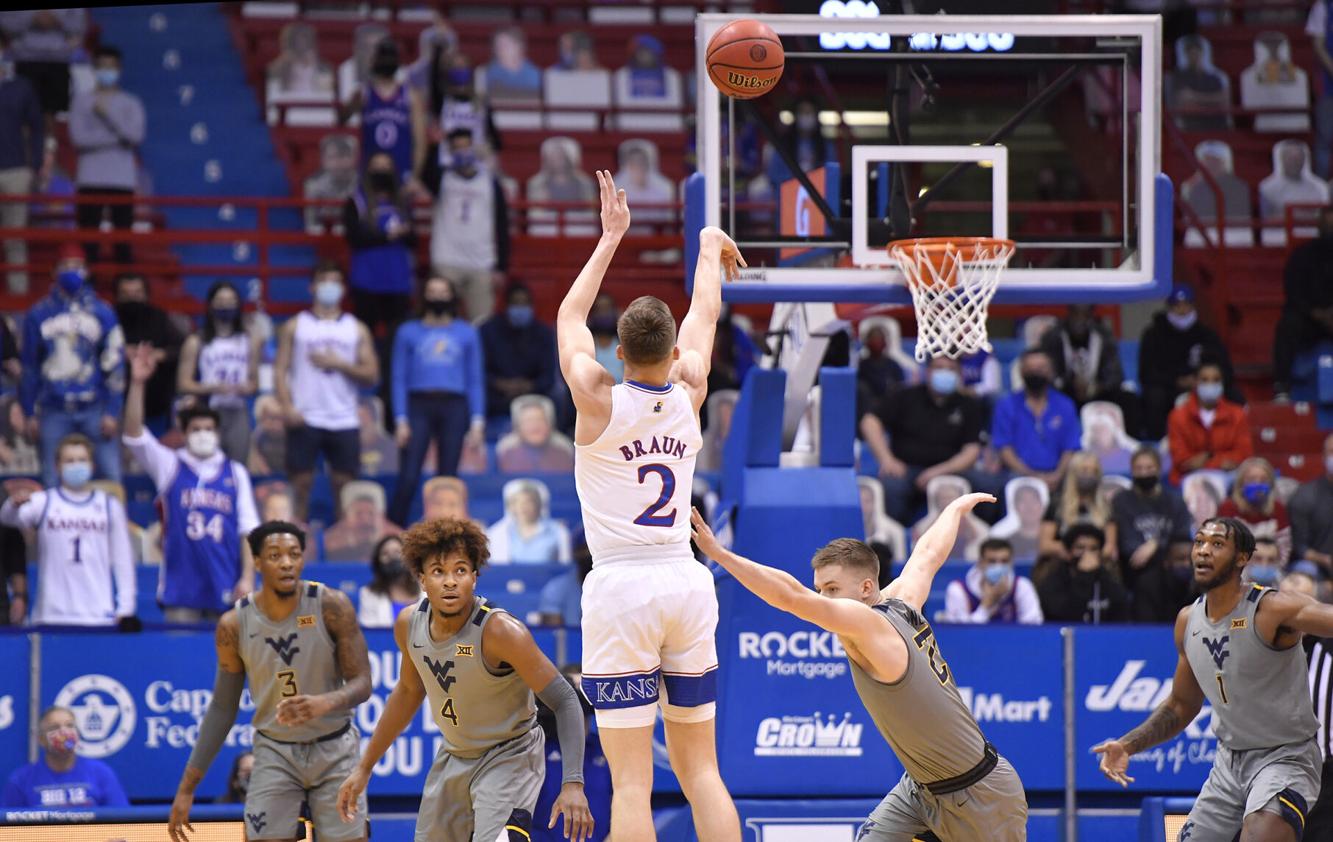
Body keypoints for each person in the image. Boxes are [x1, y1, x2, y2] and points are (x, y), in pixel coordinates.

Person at [558, 172, 742, 841]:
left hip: (621, 586)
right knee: (703, 775)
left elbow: (569, 319)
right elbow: (705, 316)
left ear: (618, 351)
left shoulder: (596, 398)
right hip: (685, 580)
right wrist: (706, 250)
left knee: (633, 782)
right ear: (672, 353)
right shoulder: (690, 394)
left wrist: (611, 237)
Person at [690, 494, 1028, 839]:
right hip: (921, 786)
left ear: (867, 588)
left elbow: (791, 597)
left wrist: (719, 555)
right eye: (820, 589)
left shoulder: (868, 624)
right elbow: (927, 555)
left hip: (980, 794)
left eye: (833, 589)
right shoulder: (902, 599)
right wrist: (955, 509)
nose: (823, 599)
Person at [334, 517, 594, 841]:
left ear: (474, 577)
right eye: (438, 571)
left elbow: (566, 699)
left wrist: (573, 783)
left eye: (460, 570)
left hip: (510, 755)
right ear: (422, 578)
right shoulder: (408, 624)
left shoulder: (501, 632)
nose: (450, 582)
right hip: (454, 756)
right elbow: (407, 693)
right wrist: (364, 767)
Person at [1092, 517, 1332, 841]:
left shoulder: (1271, 608)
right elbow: (1180, 706)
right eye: (1199, 542)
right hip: (1228, 764)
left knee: (1261, 833)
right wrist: (1128, 745)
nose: (1204, 551)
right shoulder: (1187, 620)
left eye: (1217, 544)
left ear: (1242, 558)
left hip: (1285, 756)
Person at [167, 521, 373, 842]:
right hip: (276, 753)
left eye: (294, 554)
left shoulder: (331, 605)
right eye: (275, 555)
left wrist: (324, 702)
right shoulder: (234, 624)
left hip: (335, 748)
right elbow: (222, 708)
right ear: (258, 563)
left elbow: (363, 682)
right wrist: (186, 789)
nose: (287, 562)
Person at [124, 343, 259, 622]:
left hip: (226, 584)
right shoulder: (170, 464)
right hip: (181, 588)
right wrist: (137, 383)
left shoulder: (235, 473)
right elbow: (134, 435)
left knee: (227, 664)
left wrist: (247, 579)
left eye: (209, 429)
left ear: (219, 433)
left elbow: (248, 531)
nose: (203, 434)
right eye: (196, 429)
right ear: (184, 433)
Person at [274, 261, 380, 521]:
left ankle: (340, 543)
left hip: (343, 417)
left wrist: (340, 364)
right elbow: (279, 370)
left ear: (343, 289)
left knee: (344, 486)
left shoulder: (356, 328)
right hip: (305, 415)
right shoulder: (295, 325)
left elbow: (371, 375)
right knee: (300, 483)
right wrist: (287, 407)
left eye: (335, 281)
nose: (329, 287)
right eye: (324, 281)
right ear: (313, 287)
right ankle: (297, 537)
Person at [0, 434, 136, 627]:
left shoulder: (109, 505)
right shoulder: (44, 501)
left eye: (82, 460)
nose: (76, 465)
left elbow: (123, 560)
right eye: (69, 461)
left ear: (92, 465)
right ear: (58, 466)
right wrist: (13, 504)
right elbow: (8, 519)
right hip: (51, 614)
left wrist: (126, 609)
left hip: (97, 615)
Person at [20, 245, 125, 485]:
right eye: (65, 266)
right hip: (52, 408)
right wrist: (29, 412)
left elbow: (115, 362)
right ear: (54, 271)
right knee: (51, 477)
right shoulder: (38, 313)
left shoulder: (103, 311)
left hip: (95, 407)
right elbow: (30, 366)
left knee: (111, 476)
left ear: (87, 271)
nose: (71, 271)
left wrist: (112, 410)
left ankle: (114, 522)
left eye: (77, 266)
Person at [388, 275, 485, 527]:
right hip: (418, 403)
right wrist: (400, 419)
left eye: (443, 292)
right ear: (424, 296)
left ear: (452, 297)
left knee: (448, 477)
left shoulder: (467, 333)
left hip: (454, 405)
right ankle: (392, 531)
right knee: (409, 476)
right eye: (432, 291)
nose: (438, 297)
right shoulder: (408, 331)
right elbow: (398, 377)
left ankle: (445, 532)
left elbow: (475, 378)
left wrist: (477, 420)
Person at [859, 355, 988, 525]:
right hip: (906, 469)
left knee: (987, 486)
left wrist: (939, 471)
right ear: (927, 372)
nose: (945, 373)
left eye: (951, 369)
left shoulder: (968, 404)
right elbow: (869, 422)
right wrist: (887, 459)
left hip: (950, 469)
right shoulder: (905, 396)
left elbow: (971, 450)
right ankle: (897, 538)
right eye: (939, 368)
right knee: (891, 487)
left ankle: (984, 539)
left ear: (959, 374)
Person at [343, 152, 417, 384]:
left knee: (396, 342)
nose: (382, 173)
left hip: (397, 283)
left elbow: (414, 240)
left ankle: (392, 385)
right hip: (367, 281)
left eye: (387, 167)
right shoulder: (356, 201)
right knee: (364, 340)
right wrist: (387, 236)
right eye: (377, 167)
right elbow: (354, 237)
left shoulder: (402, 203)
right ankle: (363, 384)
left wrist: (405, 233)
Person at [423, 128, 510, 322]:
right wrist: (434, 146)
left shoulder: (490, 182)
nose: (462, 152)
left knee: (482, 324)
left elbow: (502, 225)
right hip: (446, 260)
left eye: (466, 146)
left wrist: (501, 266)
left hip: (481, 263)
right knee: (441, 320)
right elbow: (425, 176)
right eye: (457, 148)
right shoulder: (442, 178)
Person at [69, 45, 144, 266]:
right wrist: (118, 139)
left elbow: (135, 136)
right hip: (89, 179)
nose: (107, 71)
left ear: (119, 69)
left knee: (123, 242)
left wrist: (108, 116)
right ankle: (87, 292)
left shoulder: (131, 103)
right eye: (102, 66)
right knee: (88, 242)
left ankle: (124, 290)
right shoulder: (81, 101)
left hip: (122, 181)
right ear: (94, 68)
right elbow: (79, 139)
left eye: (111, 67)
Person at [1139, 284, 1239, 439]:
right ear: (1169, 307)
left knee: (1234, 395)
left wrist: (1202, 381)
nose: (1182, 310)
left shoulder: (1207, 334)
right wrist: (1177, 381)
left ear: (1193, 306)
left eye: (1186, 305)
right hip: (1169, 387)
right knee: (1154, 396)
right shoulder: (1154, 334)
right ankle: (1156, 441)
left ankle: (1229, 438)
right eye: (1177, 306)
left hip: (1203, 385)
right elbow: (1147, 372)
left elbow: (1224, 368)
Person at [177, 281, 261, 463]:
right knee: (205, 462)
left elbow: (255, 382)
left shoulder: (249, 340)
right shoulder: (196, 341)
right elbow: (183, 383)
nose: (226, 305)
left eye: (231, 301)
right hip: (207, 411)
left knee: (238, 463)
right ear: (211, 305)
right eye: (221, 301)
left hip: (237, 411)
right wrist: (212, 388)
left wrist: (248, 387)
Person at [1112, 446, 1195, 623]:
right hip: (1135, 572)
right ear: (1132, 471)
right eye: (1139, 469)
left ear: (1158, 470)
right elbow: (1130, 549)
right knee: (1148, 581)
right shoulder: (1122, 501)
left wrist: (1155, 544)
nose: (1144, 473)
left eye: (1149, 468)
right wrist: (1163, 546)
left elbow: (1182, 538)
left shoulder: (1174, 500)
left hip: (1173, 570)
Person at [1038, 305, 1141, 434]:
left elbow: (1116, 375)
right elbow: (1048, 373)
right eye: (1076, 314)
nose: (1080, 320)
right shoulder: (1053, 337)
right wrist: (1069, 383)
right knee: (1046, 398)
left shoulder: (1104, 335)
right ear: (1069, 314)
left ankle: (1131, 444)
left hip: (1098, 391)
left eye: (1085, 315)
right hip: (1065, 391)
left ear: (1091, 316)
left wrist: (1097, 387)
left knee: (1128, 399)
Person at [1, 706, 128, 808]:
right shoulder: (21, 780)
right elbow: (7, 831)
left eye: (70, 725)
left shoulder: (101, 773)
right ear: (40, 739)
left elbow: (122, 823)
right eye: (54, 727)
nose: (64, 732)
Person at [992, 349, 1082, 492]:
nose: (1035, 373)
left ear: (1051, 371)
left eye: (1040, 368)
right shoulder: (1006, 405)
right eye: (1030, 369)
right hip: (1019, 475)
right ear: (1022, 372)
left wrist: (1057, 475)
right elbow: (1004, 449)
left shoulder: (1065, 404)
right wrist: (1032, 476)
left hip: (1058, 475)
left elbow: (1070, 448)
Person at [343, 39, 424, 184]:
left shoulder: (410, 95)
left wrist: (415, 176)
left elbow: (420, 140)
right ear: (374, 60)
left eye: (389, 57)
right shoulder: (363, 93)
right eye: (383, 57)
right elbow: (341, 120)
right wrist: (351, 105)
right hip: (370, 171)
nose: (386, 61)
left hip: (401, 171)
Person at [1273, 206, 1333, 399]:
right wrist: (1316, 314)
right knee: (1288, 325)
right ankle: (1282, 386)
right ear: (1319, 225)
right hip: (1310, 319)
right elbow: (1293, 291)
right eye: (1327, 223)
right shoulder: (1303, 255)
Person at [0, 31, 43, 294]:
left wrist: (34, 166)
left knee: (15, 239)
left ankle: (18, 302)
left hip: (16, 170)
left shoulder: (21, 87)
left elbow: (37, 128)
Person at [114, 271, 185, 427]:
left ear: (146, 295)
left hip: (157, 402)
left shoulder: (160, 318)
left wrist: (161, 354)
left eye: (137, 293)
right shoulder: (111, 319)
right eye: (126, 294)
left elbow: (182, 349)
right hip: (117, 406)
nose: (132, 298)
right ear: (118, 296)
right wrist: (118, 353)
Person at [1167, 359, 1253, 485]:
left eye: (1216, 380)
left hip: (1229, 476)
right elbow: (1181, 458)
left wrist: (1207, 460)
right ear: (1196, 382)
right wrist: (1221, 461)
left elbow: (1244, 452)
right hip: (1189, 477)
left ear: (1222, 384)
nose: (1210, 384)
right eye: (1205, 380)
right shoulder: (1178, 416)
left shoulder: (1237, 414)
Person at [480, 284, 558, 419]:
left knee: (558, 393)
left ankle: (557, 433)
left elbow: (548, 374)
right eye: (516, 303)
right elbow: (479, 370)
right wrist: (501, 384)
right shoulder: (488, 330)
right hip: (496, 390)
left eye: (525, 304)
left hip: (533, 390)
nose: (520, 308)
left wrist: (528, 386)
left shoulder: (543, 333)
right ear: (506, 306)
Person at [1035, 523, 1131, 624]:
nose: (1087, 554)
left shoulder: (1108, 581)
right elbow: (1063, 614)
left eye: (1093, 549)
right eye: (1080, 548)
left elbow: (1121, 615)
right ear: (1068, 552)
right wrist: (1084, 576)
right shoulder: (1054, 582)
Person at [0, 10, 85, 118]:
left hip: (59, 60)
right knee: (23, 109)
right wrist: (30, 20)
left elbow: (79, 24)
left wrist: (59, 21)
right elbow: (5, 23)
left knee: (56, 111)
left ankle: (50, 135)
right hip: (25, 59)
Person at [939, 537, 1043, 625]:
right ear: (980, 562)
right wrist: (985, 607)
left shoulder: (1022, 587)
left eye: (1004, 561)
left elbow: (1033, 628)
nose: (998, 566)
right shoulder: (958, 590)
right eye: (992, 561)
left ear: (1011, 562)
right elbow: (959, 637)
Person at [1037, 451, 1114, 562]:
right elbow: (1045, 545)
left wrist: (1090, 556)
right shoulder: (1057, 504)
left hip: (1097, 564)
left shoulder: (1106, 506)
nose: (1089, 475)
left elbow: (1109, 547)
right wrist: (1075, 551)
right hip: (1063, 564)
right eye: (1084, 470)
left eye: (1094, 471)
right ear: (1073, 474)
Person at [1219, 457, 1293, 565]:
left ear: (1270, 485)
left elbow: (1285, 548)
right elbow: (1222, 546)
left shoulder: (1278, 509)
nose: (1258, 484)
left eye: (1263, 480)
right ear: (1241, 484)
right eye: (1252, 479)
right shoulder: (1228, 508)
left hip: (1271, 566)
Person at [487, 478, 573, 564]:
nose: (523, 507)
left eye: (529, 501)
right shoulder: (496, 533)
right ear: (510, 506)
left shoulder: (559, 531)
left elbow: (566, 569)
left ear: (539, 504)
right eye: (517, 502)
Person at [526, 137, 597, 236]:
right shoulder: (537, 183)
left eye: (560, 156)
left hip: (578, 225)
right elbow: (535, 214)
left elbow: (590, 212)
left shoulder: (585, 183)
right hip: (547, 226)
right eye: (553, 156)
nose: (557, 160)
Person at [324, 481, 401, 563]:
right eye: (358, 514)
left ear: (381, 516)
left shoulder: (400, 541)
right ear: (345, 517)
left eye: (371, 513)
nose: (365, 520)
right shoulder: (328, 544)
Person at [497, 395, 575, 474]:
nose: (534, 426)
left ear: (550, 423)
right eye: (528, 421)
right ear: (517, 425)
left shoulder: (564, 449)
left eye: (540, 419)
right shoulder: (505, 450)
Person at [1291, 434, 1333, 572]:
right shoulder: (1305, 496)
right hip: (1318, 566)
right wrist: (1325, 560)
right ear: (1324, 457)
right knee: (1305, 569)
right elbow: (1300, 548)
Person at [356, 534, 418, 627]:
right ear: (378, 562)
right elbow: (370, 634)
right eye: (385, 554)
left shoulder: (425, 590)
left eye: (397, 552)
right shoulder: (368, 594)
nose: (392, 557)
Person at [304, 134, 360, 232]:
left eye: (344, 156)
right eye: (332, 157)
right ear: (323, 159)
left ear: (354, 158)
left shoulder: (362, 183)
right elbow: (311, 224)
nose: (338, 163)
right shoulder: (314, 185)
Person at [539, 540, 593, 627]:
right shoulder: (555, 588)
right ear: (575, 552)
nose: (588, 553)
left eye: (591, 549)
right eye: (584, 549)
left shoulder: (612, 586)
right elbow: (554, 634)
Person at [483, 27, 542, 100]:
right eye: (497, 46)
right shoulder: (487, 73)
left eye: (505, 45)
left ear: (519, 47)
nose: (500, 50)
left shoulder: (535, 74)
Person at [1309, 0, 1333, 178]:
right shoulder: (1323, 5)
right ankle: (1322, 191)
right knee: (1325, 139)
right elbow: (1318, 44)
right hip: (1328, 87)